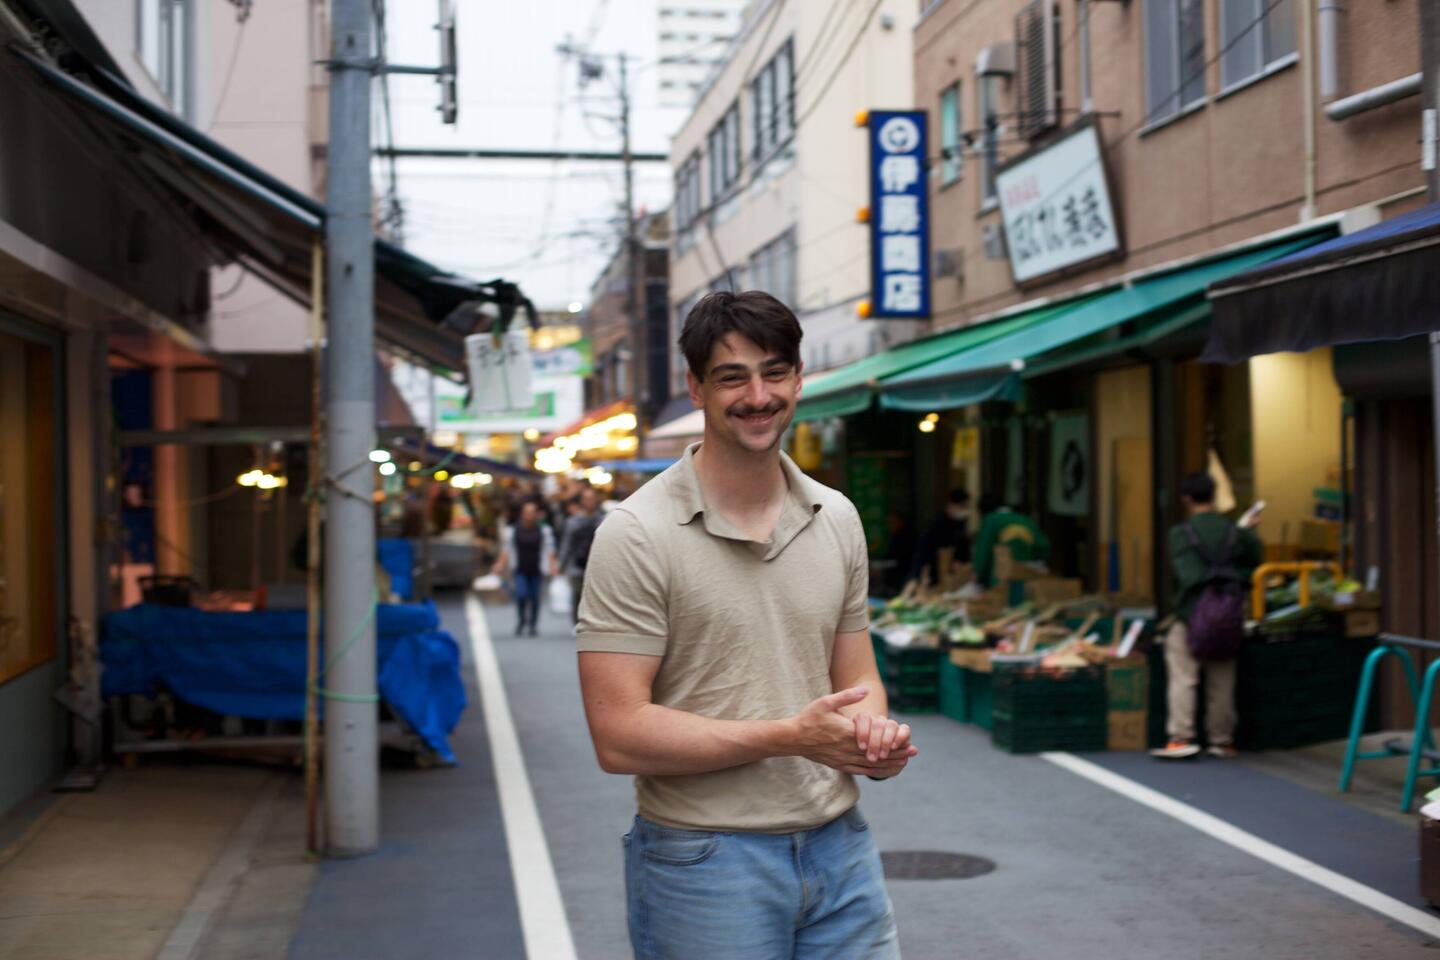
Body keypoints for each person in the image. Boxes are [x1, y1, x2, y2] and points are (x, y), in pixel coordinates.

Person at [577, 291, 914, 960]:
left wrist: (870, 737)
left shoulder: (837, 516)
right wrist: (791, 736)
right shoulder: (636, 535)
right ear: (696, 388)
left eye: (775, 372)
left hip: (841, 846)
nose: (758, 395)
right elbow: (617, 737)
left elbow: (858, 678)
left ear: (798, 377)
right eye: (733, 377)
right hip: (704, 860)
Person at [1152, 471, 1262, 760]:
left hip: (1192, 612)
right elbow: (1254, 559)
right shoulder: (1233, 532)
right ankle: (1222, 740)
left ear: (1187, 499)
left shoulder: (1181, 534)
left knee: (1183, 675)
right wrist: (1247, 531)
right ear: (1214, 496)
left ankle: (1181, 737)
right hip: (1227, 612)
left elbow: (1185, 575)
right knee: (1222, 678)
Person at [490, 500, 555, 636]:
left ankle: (532, 625)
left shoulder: (544, 531)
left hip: (537, 568)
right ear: (522, 514)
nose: (529, 516)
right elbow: (507, 549)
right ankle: (521, 621)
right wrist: (500, 564)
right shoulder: (513, 531)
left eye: (532, 513)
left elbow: (550, 549)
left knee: (535, 598)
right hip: (520, 568)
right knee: (521, 595)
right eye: (527, 513)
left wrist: (553, 565)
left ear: (537, 515)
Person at [972, 493, 1050, 586]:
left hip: (1002, 577)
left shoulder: (990, 520)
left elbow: (983, 553)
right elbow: (1043, 546)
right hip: (1028, 575)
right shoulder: (1025, 519)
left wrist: (979, 575)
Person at [557, 486, 603, 623]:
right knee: (578, 595)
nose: (589, 502)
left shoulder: (603, 520)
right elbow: (567, 544)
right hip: (577, 564)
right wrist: (561, 565)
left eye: (592, 499)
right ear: (582, 501)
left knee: (595, 596)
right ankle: (577, 622)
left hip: (598, 565)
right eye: (586, 499)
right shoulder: (573, 522)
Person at [910, 488, 973, 587]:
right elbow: (925, 551)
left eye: (966, 507)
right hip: (933, 574)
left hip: (952, 577)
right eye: (962, 506)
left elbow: (962, 548)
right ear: (951, 505)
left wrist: (960, 561)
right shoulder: (937, 524)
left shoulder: (960, 523)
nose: (965, 510)